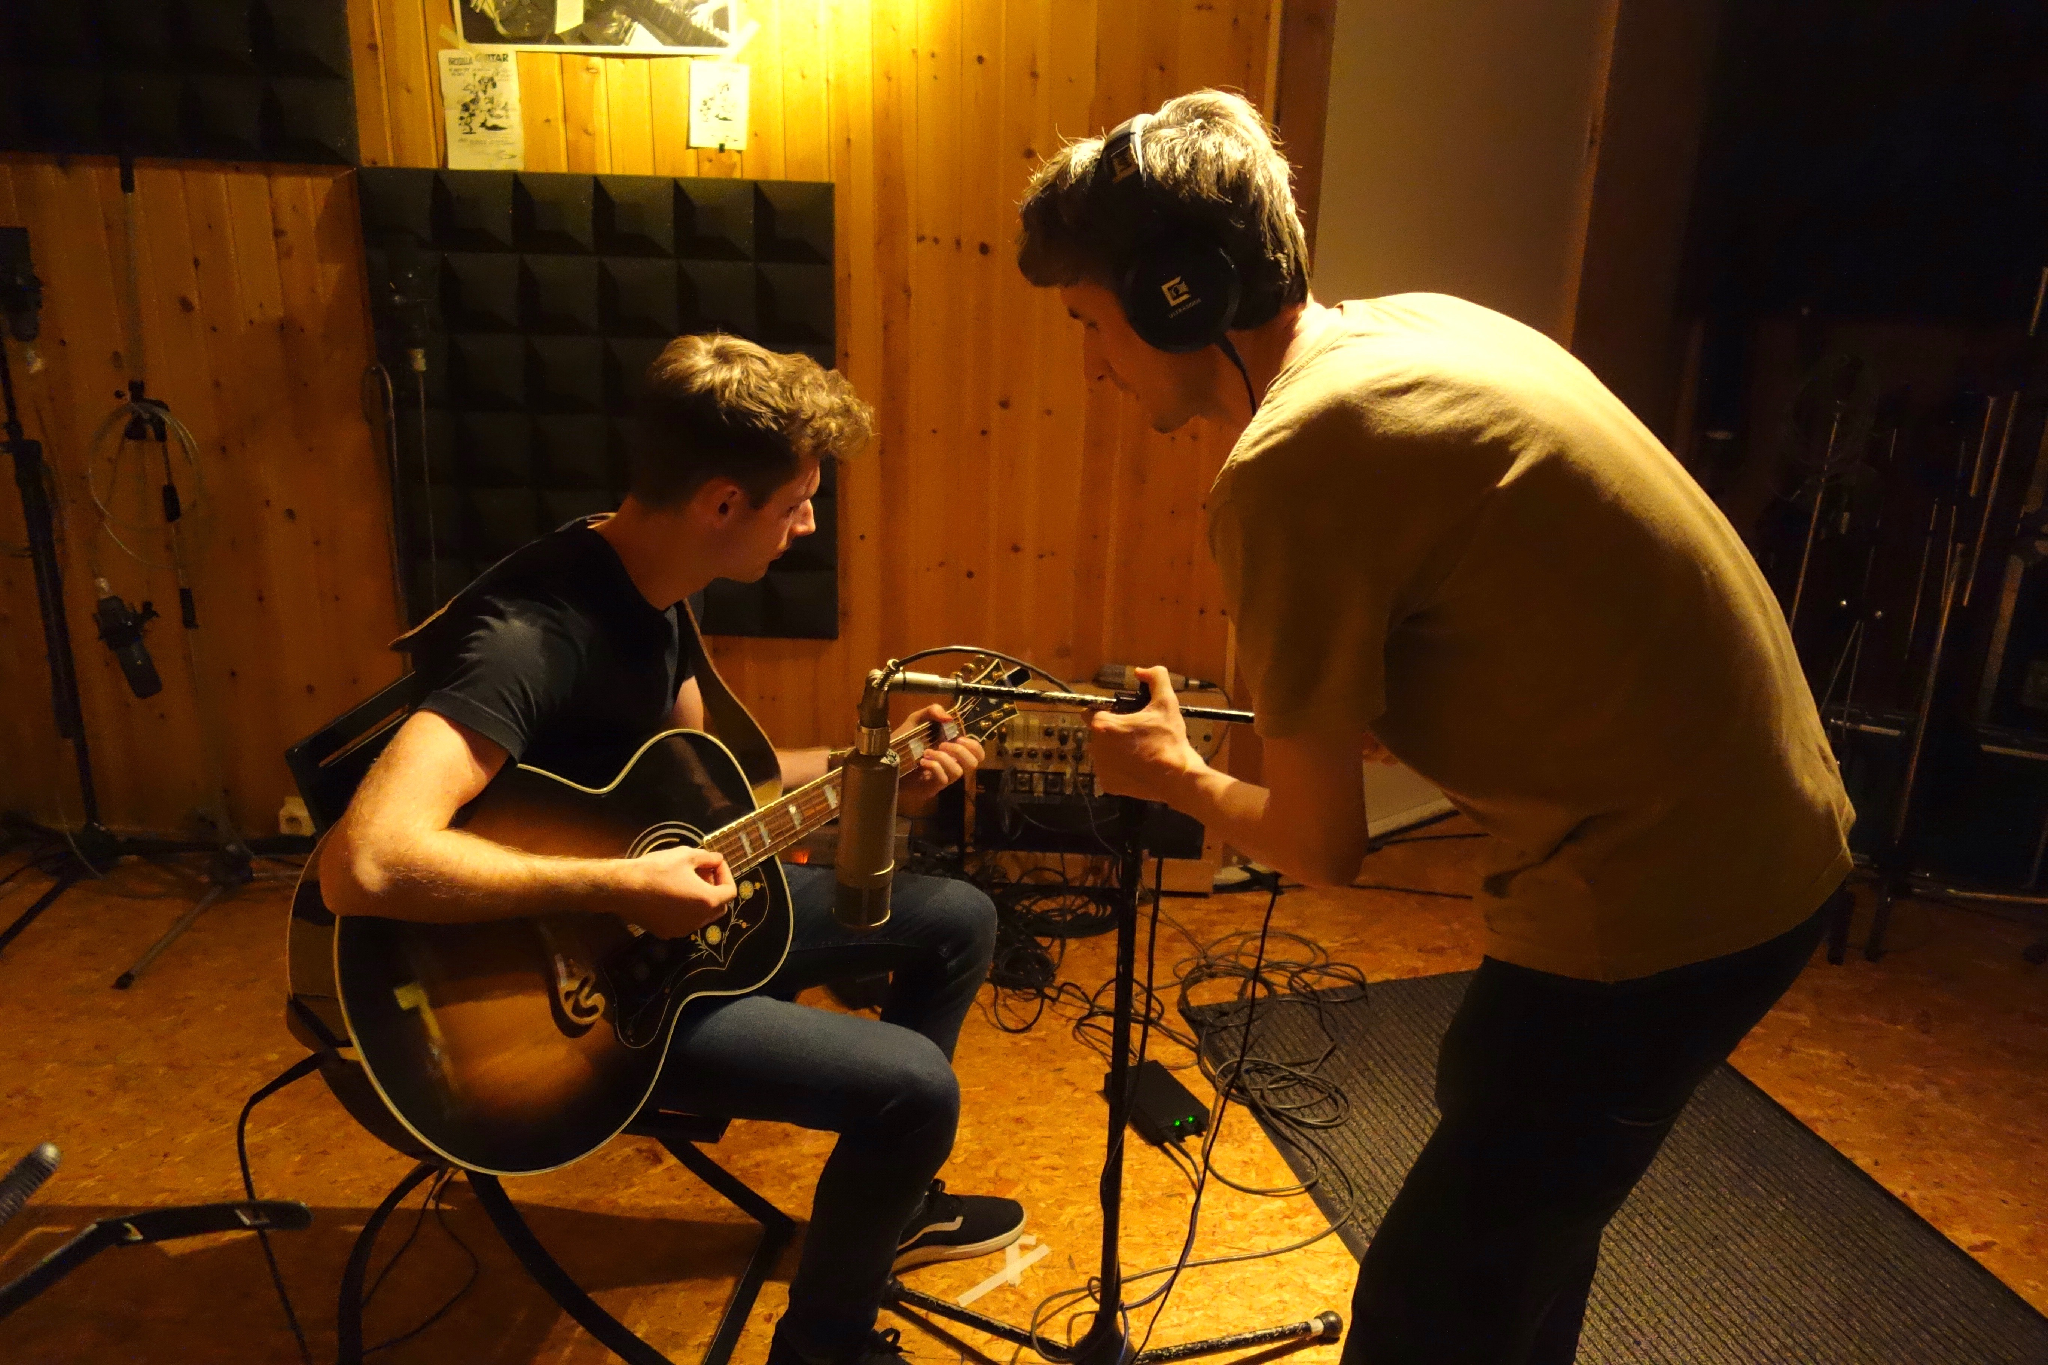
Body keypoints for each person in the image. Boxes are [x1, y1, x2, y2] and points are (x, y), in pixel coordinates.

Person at [1015, 90, 1853, 1364]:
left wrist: (1171, 772)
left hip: (1662, 902)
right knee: (1519, 1211)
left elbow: (1320, 851)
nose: (1092, 365)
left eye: (1091, 323)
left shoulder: (1290, 462)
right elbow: (1528, 603)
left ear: (1179, 295)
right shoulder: (1426, 326)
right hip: (1772, 841)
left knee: (1429, 1310)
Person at [319, 334, 1024, 1365]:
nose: (809, 524)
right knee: (914, 1086)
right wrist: (617, 883)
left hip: (659, 934)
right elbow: (366, 863)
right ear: (723, 504)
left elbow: (716, 798)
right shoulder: (531, 636)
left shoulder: (655, 589)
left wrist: (875, 771)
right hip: (567, 1012)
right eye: (798, 504)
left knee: (958, 917)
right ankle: (822, 1350)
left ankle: (886, 1205)